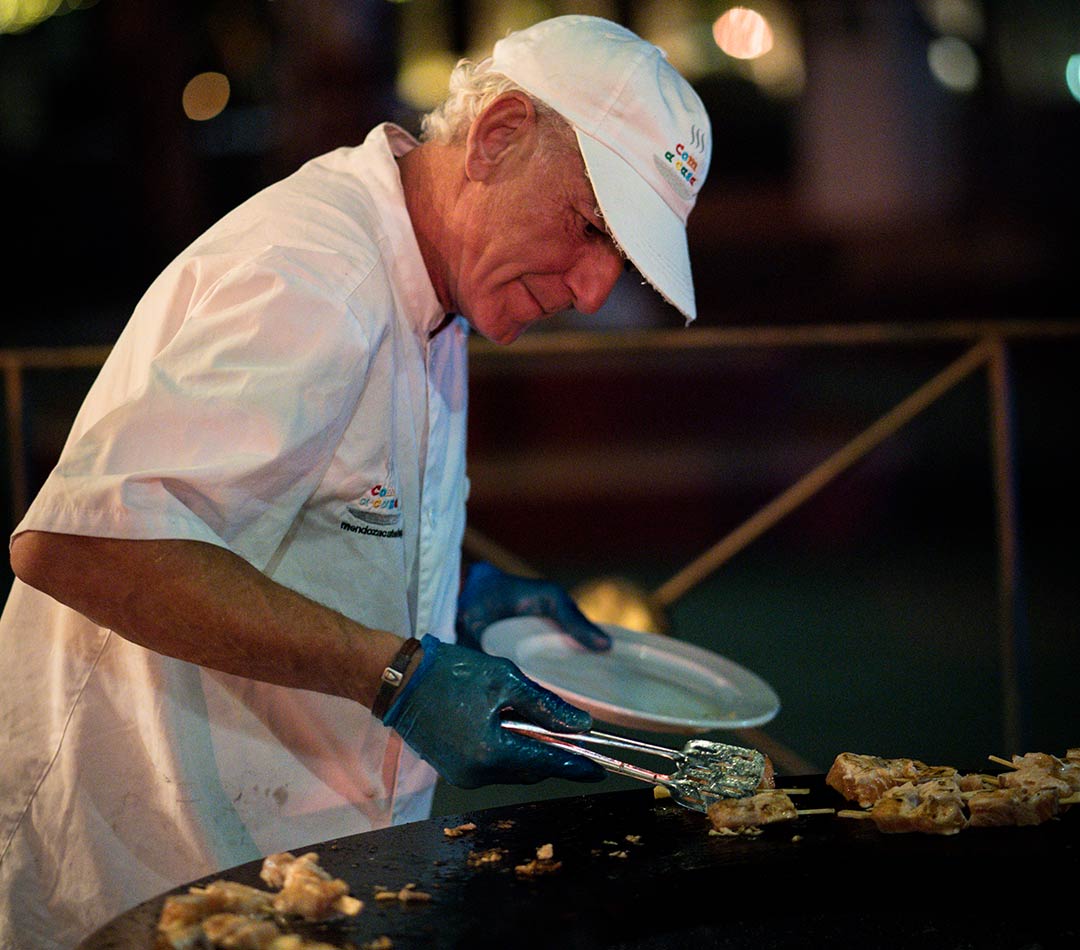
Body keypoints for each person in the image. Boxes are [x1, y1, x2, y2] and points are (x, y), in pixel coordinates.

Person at [0, 14, 711, 947]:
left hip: (284, 869)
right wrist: (400, 677)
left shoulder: (435, 274)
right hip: (149, 877)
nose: (591, 290)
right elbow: (80, 545)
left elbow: (312, 508)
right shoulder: (313, 272)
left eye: (619, 259)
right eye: (590, 227)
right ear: (497, 137)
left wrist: (450, 594)